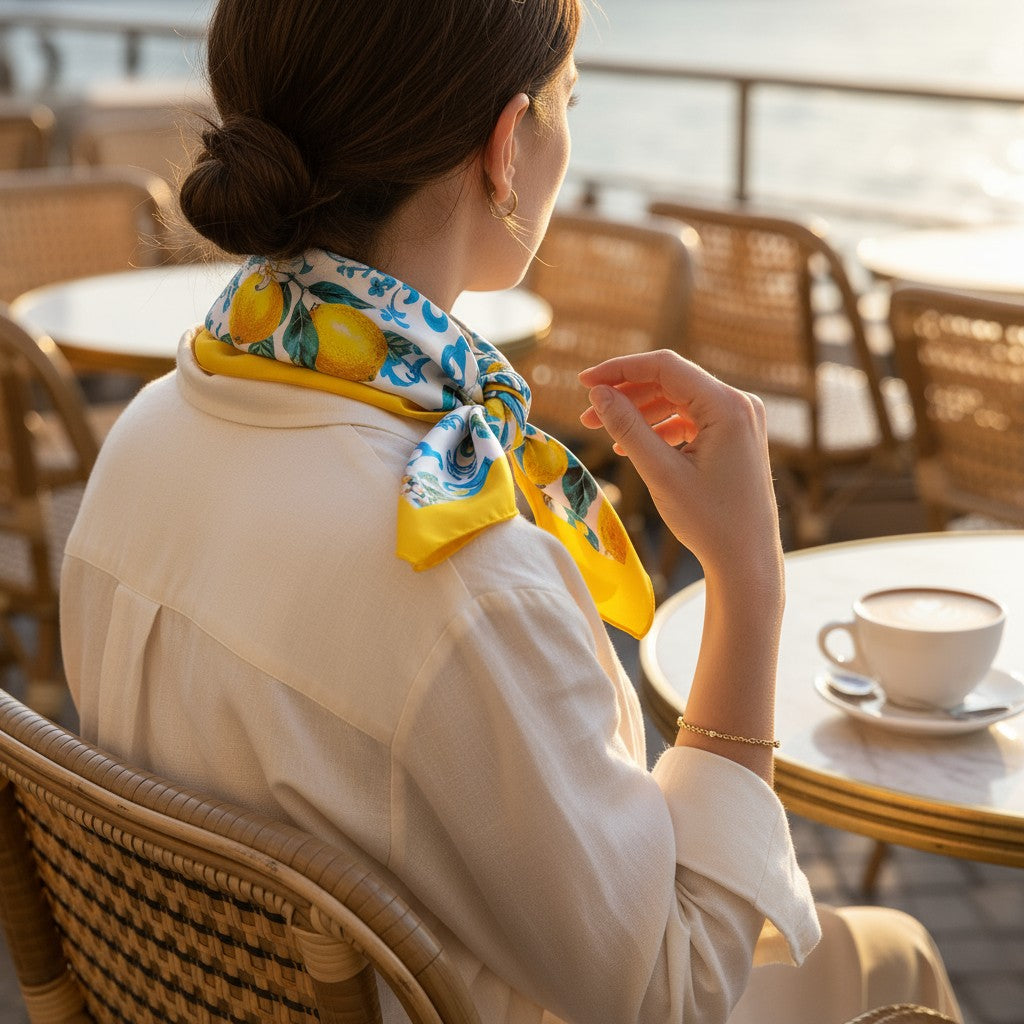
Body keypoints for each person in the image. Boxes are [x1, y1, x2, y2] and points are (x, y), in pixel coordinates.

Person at [59, 1, 961, 1022]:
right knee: (893, 953)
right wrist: (748, 581)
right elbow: (673, 990)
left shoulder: (143, 436)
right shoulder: (457, 574)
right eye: (569, 102)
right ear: (504, 150)